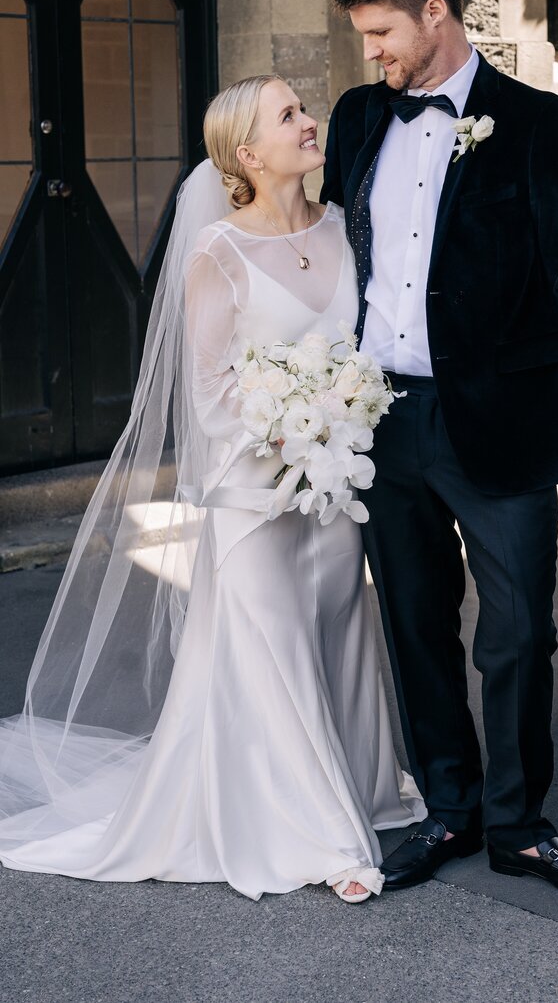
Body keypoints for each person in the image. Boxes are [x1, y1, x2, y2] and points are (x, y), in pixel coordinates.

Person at [0, 76, 424, 903]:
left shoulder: (345, 228)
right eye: (289, 117)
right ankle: (324, 837)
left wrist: (337, 426)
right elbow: (209, 392)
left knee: (337, 627)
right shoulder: (218, 254)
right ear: (247, 154)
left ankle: (366, 788)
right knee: (272, 652)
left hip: (333, 486)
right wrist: (293, 426)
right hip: (254, 494)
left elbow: (364, 355)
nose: (310, 123)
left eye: (304, 109)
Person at [322, 0, 558, 899]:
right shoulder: (359, 117)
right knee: (413, 622)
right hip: (384, 419)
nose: (371, 53)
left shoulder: (533, 121)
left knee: (516, 631)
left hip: (498, 425)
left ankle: (517, 823)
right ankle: (446, 807)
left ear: (434, 13)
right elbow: (334, 254)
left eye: (380, 33)